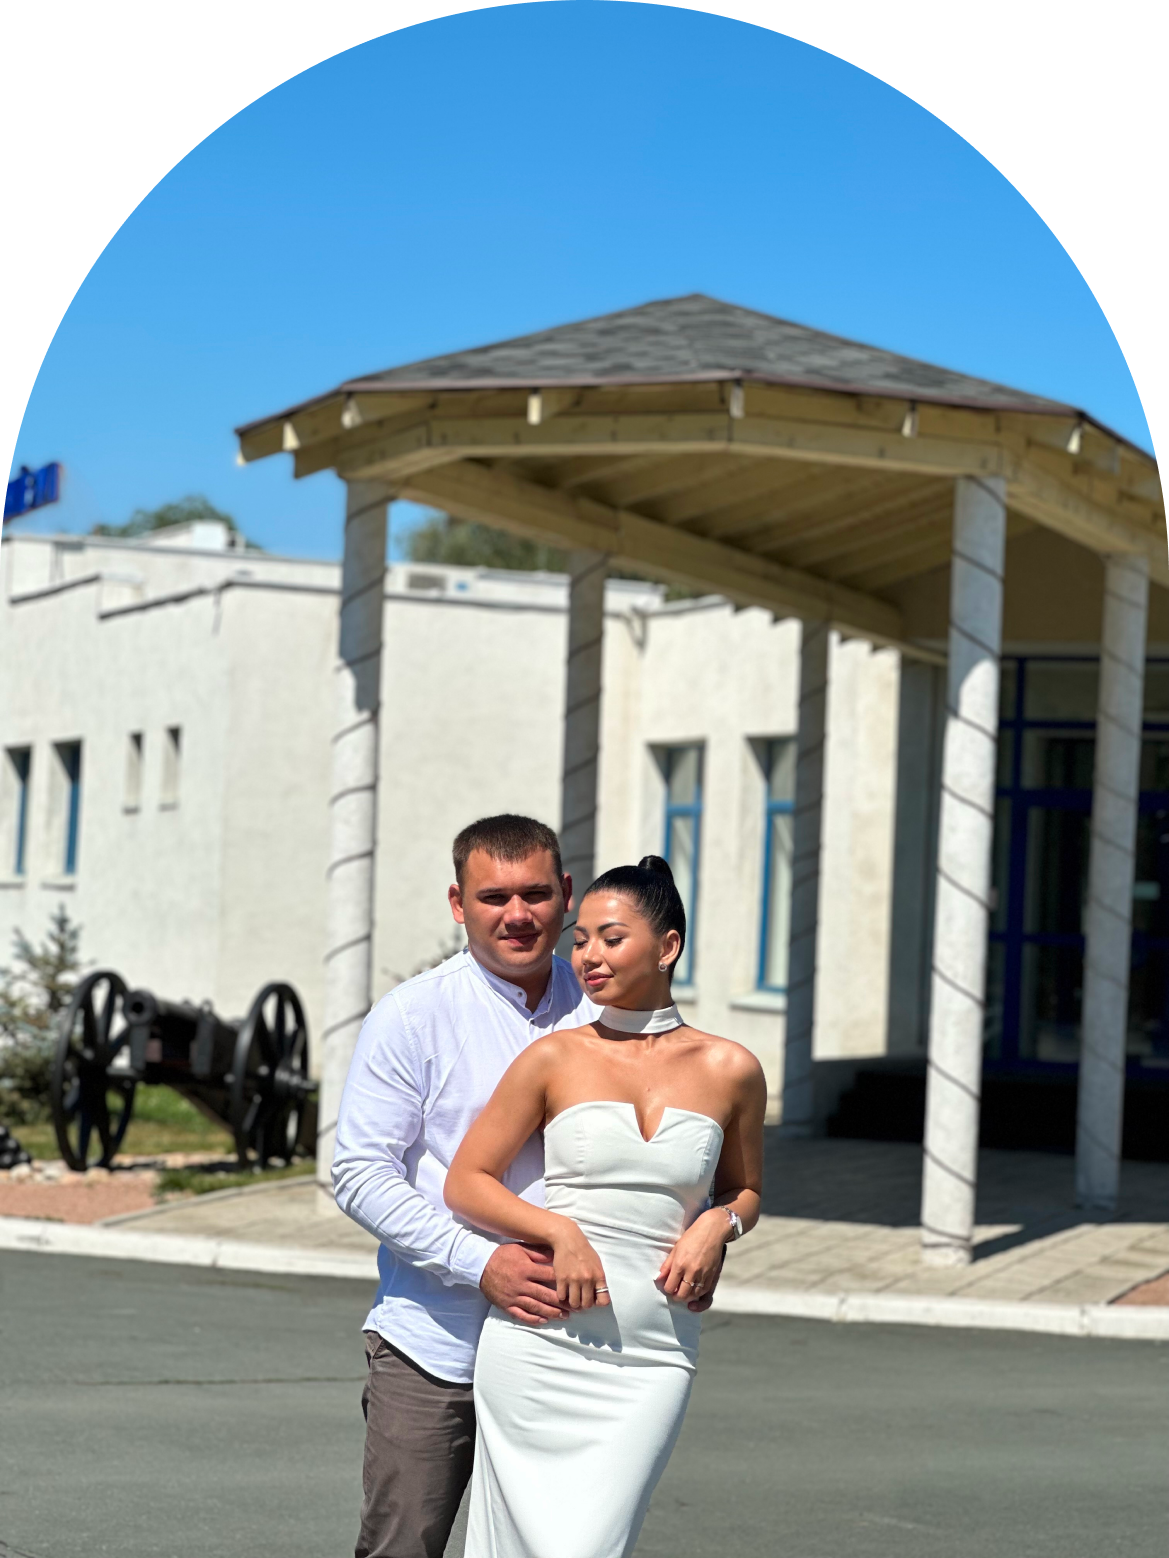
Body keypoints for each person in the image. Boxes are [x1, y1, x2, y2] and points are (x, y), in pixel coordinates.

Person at [332, 817, 721, 1558]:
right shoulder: (412, 1016)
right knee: (402, 1548)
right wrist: (481, 1263)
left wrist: (710, 1224)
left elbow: (675, 1147)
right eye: (493, 897)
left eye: (536, 894)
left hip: (582, 1344)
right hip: (437, 1343)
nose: (517, 914)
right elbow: (359, 1173)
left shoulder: (609, 1001)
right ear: (458, 904)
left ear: (566, 894)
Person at [445, 855, 766, 1558]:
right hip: (538, 1346)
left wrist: (719, 1224)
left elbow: (744, 1191)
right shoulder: (553, 1058)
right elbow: (466, 1181)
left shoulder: (732, 1069)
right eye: (581, 938)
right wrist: (557, 1230)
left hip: (654, 1353)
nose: (588, 955)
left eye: (610, 938)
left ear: (667, 946)